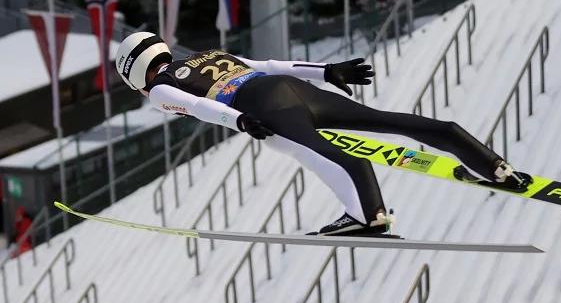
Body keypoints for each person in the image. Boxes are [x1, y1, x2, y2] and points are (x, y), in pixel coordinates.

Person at [114, 32, 530, 236]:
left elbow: (199, 107)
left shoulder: (159, 91)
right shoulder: (210, 54)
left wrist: (238, 121)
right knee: (393, 121)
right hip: (295, 90)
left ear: (135, 72)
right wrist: (327, 72)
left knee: (317, 152)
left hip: (262, 105)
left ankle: (368, 216)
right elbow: (271, 63)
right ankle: (493, 165)